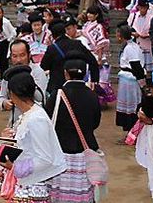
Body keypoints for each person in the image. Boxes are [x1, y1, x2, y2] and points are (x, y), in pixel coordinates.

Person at [0, 71, 67, 202]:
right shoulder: (31, 114)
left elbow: (45, 158)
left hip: (34, 184)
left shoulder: (36, 118)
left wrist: (15, 167)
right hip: (29, 182)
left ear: (13, 94)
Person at [48, 58, 102, 203]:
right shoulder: (92, 95)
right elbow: (95, 123)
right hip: (85, 152)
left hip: (61, 152)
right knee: (83, 195)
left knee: (59, 195)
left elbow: (49, 121)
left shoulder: (57, 95)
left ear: (65, 73)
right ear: (85, 74)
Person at [40, 20, 99, 109]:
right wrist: (94, 80)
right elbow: (92, 60)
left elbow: (44, 66)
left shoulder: (52, 48)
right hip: (77, 84)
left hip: (57, 86)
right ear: (64, 31)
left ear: (53, 35)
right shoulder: (77, 44)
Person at [0, 40, 48, 127]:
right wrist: (4, 103)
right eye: (14, 56)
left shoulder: (37, 72)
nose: (18, 60)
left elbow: (41, 99)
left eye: (22, 55)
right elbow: (2, 96)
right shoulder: (9, 74)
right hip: (14, 122)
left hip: (35, 122)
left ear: (29, 55)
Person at [81, 8, 115, 107]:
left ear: (96, 15)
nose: (89, 15)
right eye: (88, 13)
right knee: (89, 79)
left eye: (91, 13)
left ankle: (100, 102)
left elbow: (100, 43)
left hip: (97, 55)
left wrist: (99, 58)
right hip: (88, 54)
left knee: (100, 80)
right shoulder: (86, 25)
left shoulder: (99, 26)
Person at [115, 24, 145, 135]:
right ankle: (130, 132)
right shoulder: (129, 47)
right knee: (128, 105)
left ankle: (133, 132)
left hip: (130, 81)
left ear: (121, 36)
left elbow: (136, 66)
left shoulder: (130, 49)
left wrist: (142, 84)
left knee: (132, 107)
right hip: (127, 80)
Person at [128, 0, 153, 72]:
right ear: (138, 7)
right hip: (136, 44)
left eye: (145, 8)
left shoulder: (152, 17)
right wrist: (134, 34)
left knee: (149, 67)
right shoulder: (133, 16)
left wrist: (147, 35)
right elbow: (127, 29)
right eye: (141, 7)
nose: (143, 10)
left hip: (148, 45)